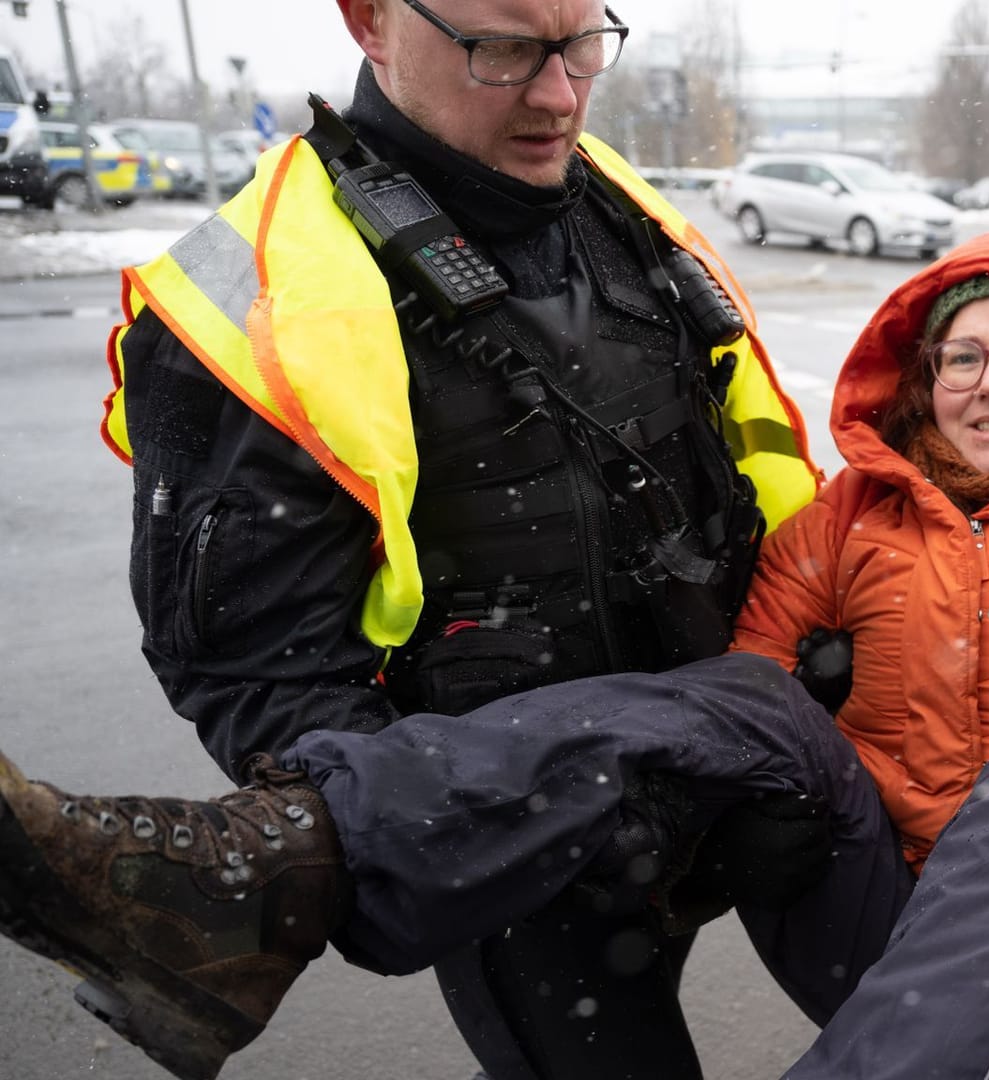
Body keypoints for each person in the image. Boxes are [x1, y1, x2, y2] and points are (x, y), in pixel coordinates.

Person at [0, 229, 989, 1080]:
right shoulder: (857, 512)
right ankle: (279, 861)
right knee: (746, 702)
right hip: (878, 911)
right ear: (925, 378)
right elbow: (739, 709)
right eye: (964, 355)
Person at [97, 0, 820, 1077]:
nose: (559, 95)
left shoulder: (618, 202)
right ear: (371, 21)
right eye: (504, 48)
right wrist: (526, 818)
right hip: (529, 868)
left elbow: (749, 474)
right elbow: (257, 676)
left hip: (725, 763)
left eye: (582, 41)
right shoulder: (261, 294)